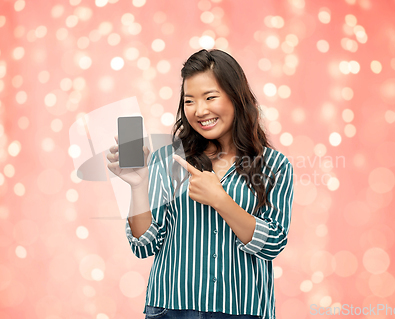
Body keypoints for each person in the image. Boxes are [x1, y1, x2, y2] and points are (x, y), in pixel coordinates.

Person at [107, 49, 294, 319]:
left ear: (236, 97)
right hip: (171, 309)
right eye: (190, 101)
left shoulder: (274, 165)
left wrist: (220, 199)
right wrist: (138, 186)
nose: (200, 110)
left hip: (242, 311)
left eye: (210, 97)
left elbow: (273, 243)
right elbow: (144, 245)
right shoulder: (168, 159)